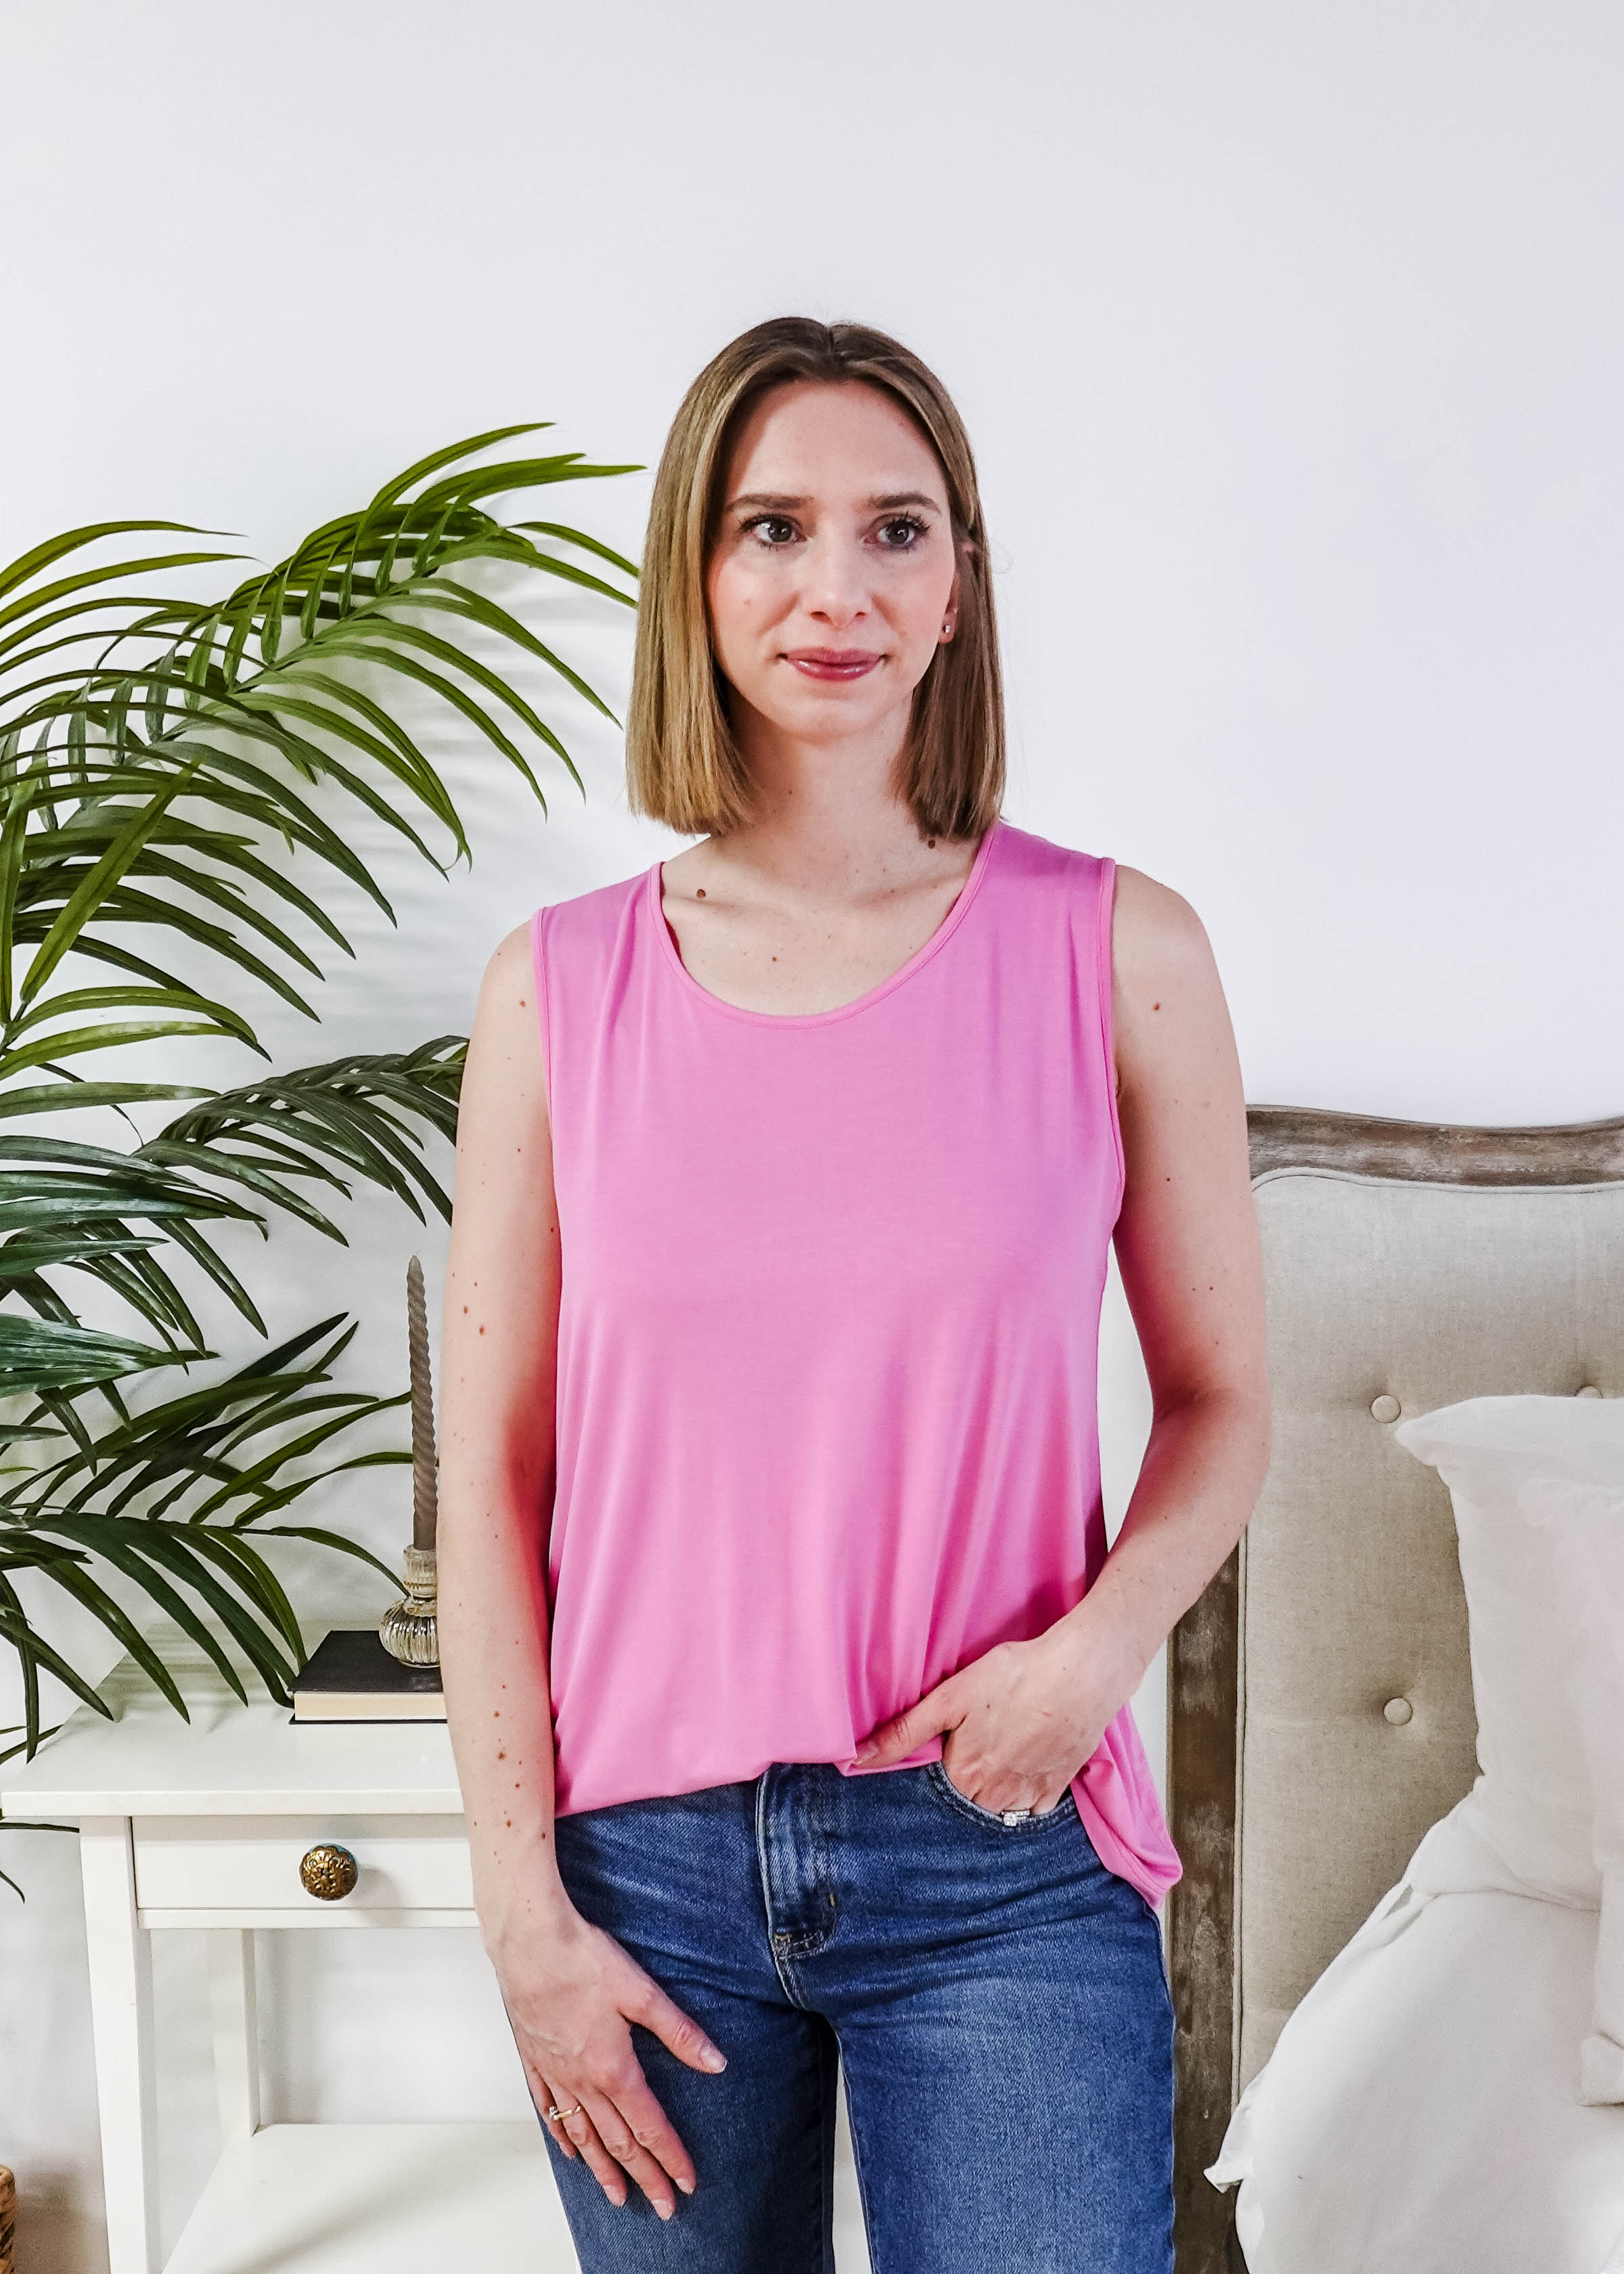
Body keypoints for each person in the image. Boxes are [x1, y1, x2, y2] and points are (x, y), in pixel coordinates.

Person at [436, 316, 1271, 2273]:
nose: (840, 589)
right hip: (641, 1876)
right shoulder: (555, 992)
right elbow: (489, 1477)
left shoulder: (1118, 950)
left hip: (997, 1852)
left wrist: (1092, 1659)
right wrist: (523, 1920)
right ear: (696, 574)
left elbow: (1224, 1401)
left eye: (897, 530)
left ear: (959, 582)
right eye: (774, 529)